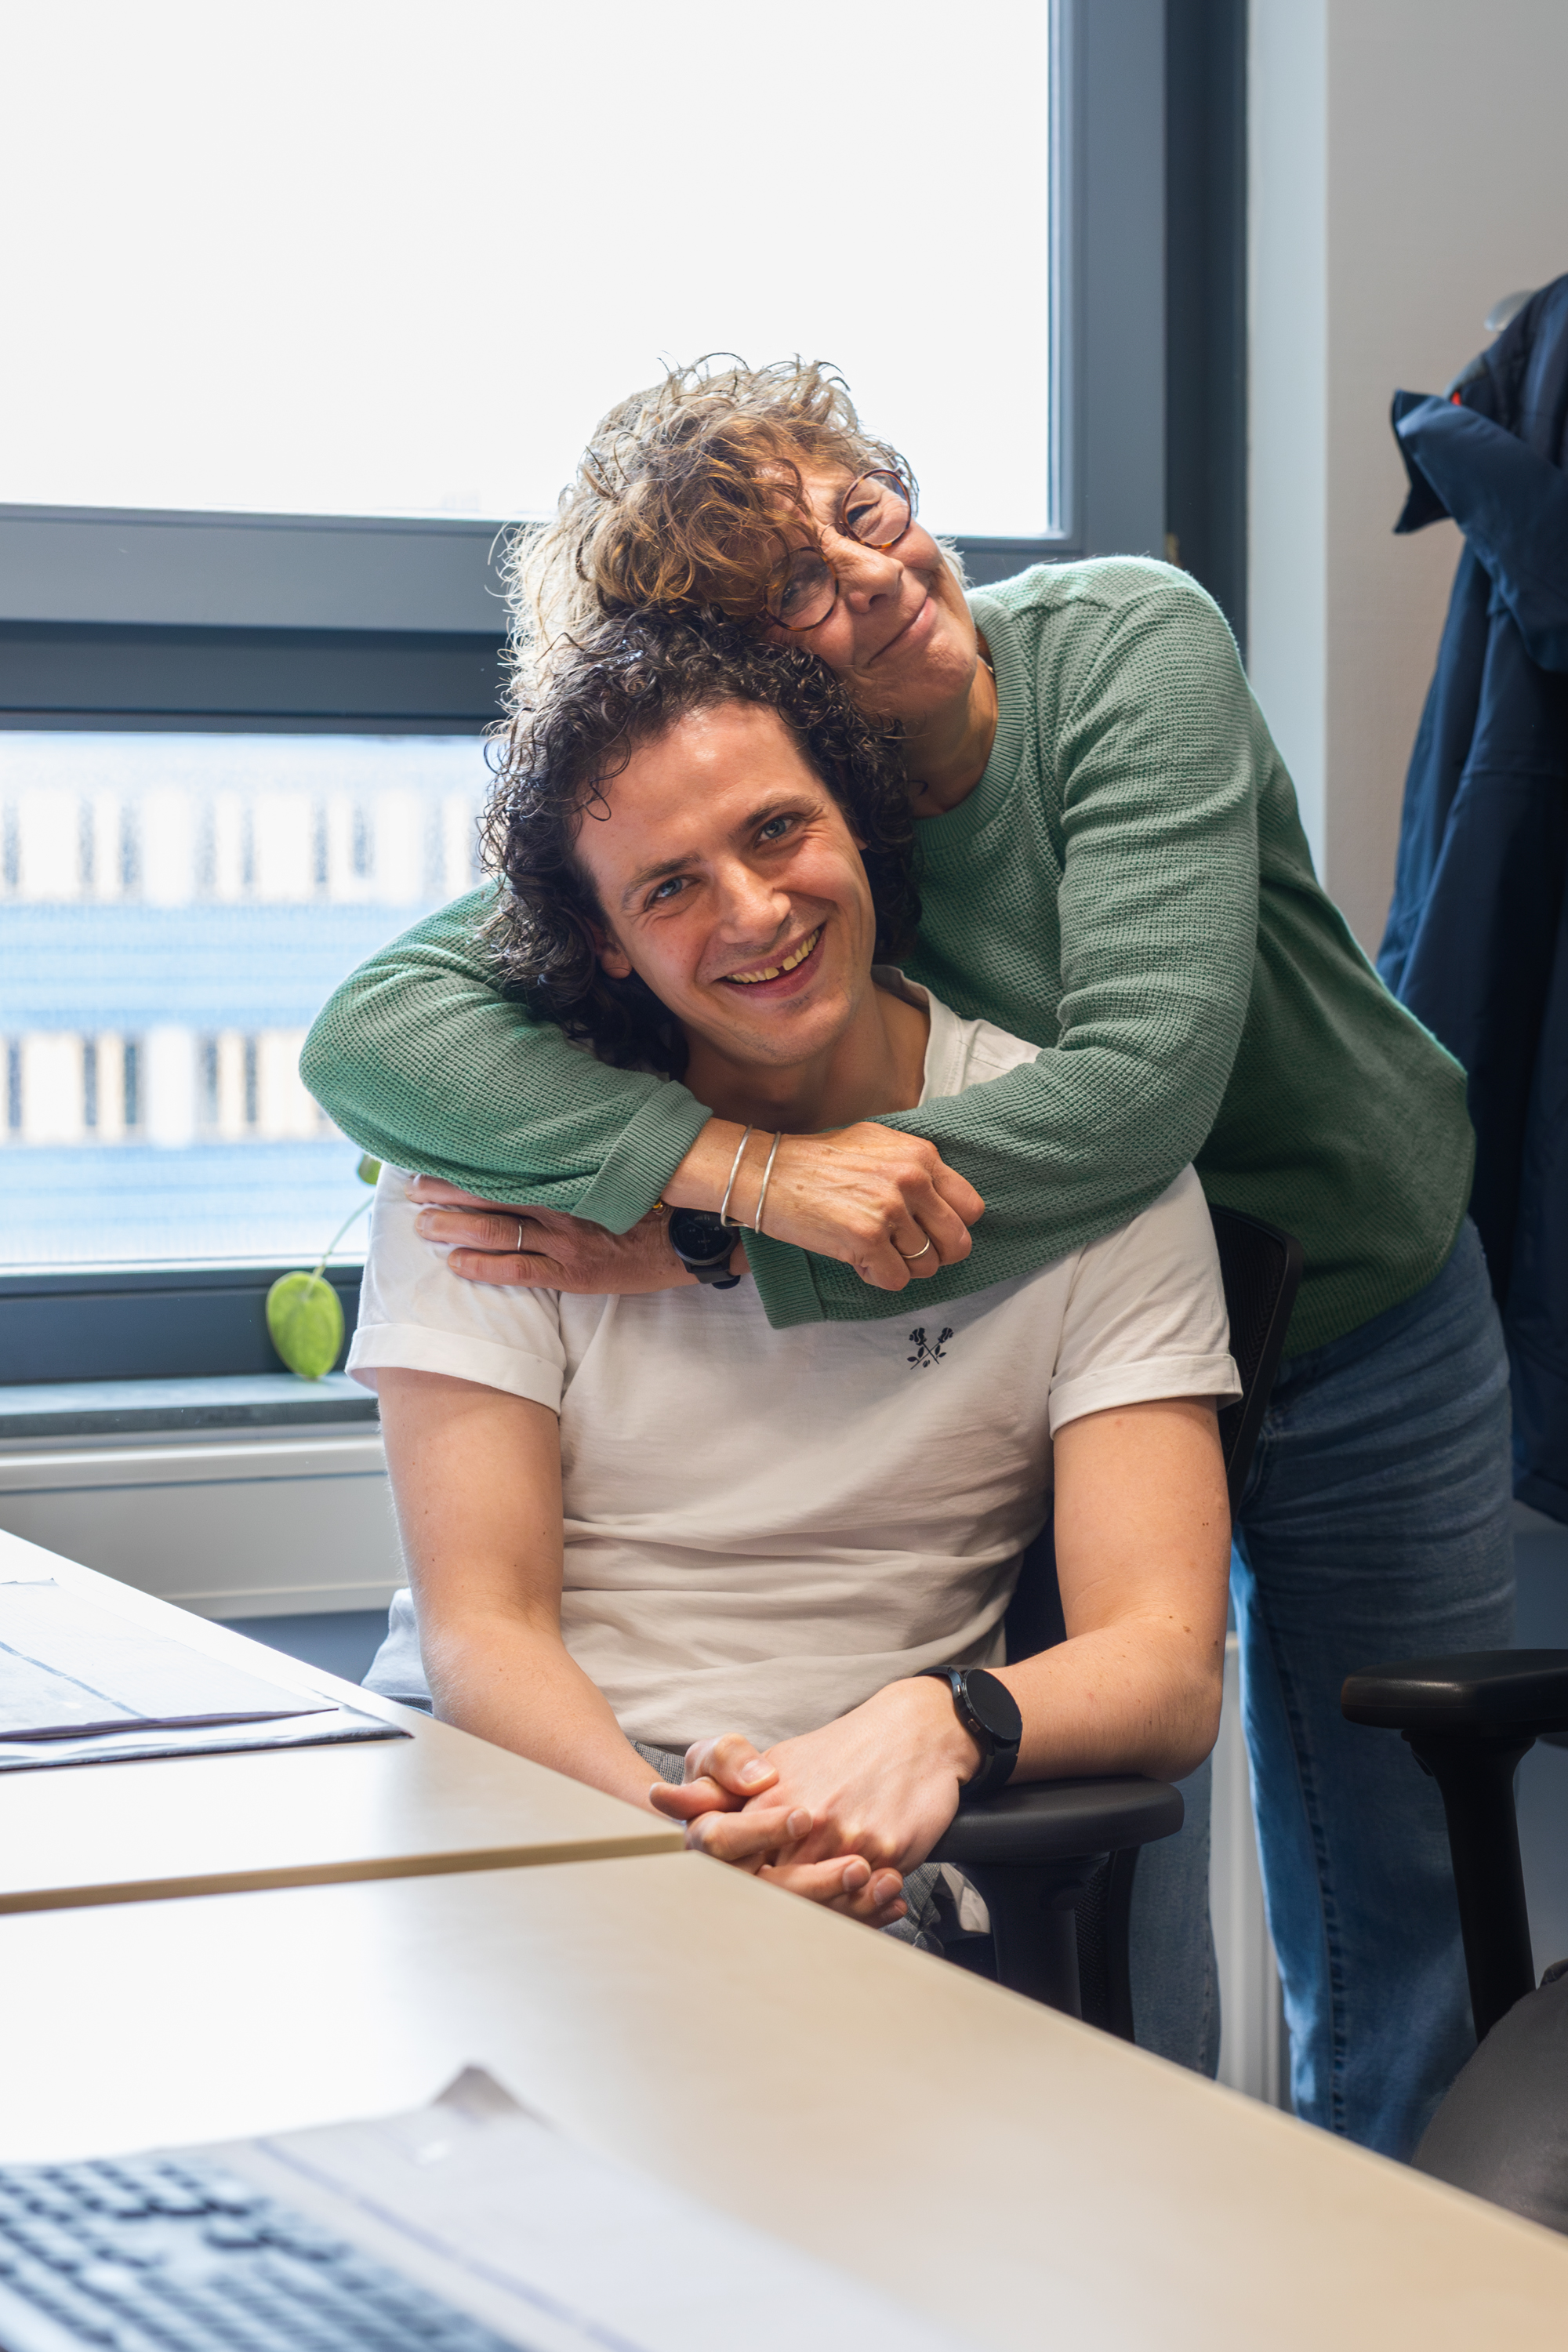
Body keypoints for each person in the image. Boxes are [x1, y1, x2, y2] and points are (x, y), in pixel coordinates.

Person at [303, 360, 1514, 2155]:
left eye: (862, 514)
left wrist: (725, 1231)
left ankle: (1407, 2286)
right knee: (1097, 1846)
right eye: (792, 588)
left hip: (1341, 1292)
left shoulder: (1116, 644)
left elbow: (1133, 1106)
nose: (868, 578)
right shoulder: (769, 818)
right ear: (748, 682)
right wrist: (721, 1166)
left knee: (1388, 1879)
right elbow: (374, 1030)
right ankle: (1159, 2188)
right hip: (1021, 1293)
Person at [350, 615, 1239, 1945]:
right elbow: (484, 1631)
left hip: (863, 1838)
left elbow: (1166, 1664)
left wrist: (935, 1723)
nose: (755, 914)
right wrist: (671, 1840)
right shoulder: (496, 1168)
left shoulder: (1082, 1164)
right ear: (605, 941)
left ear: (861, 818)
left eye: (776, 831)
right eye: (667, 888)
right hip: (529, 1812)